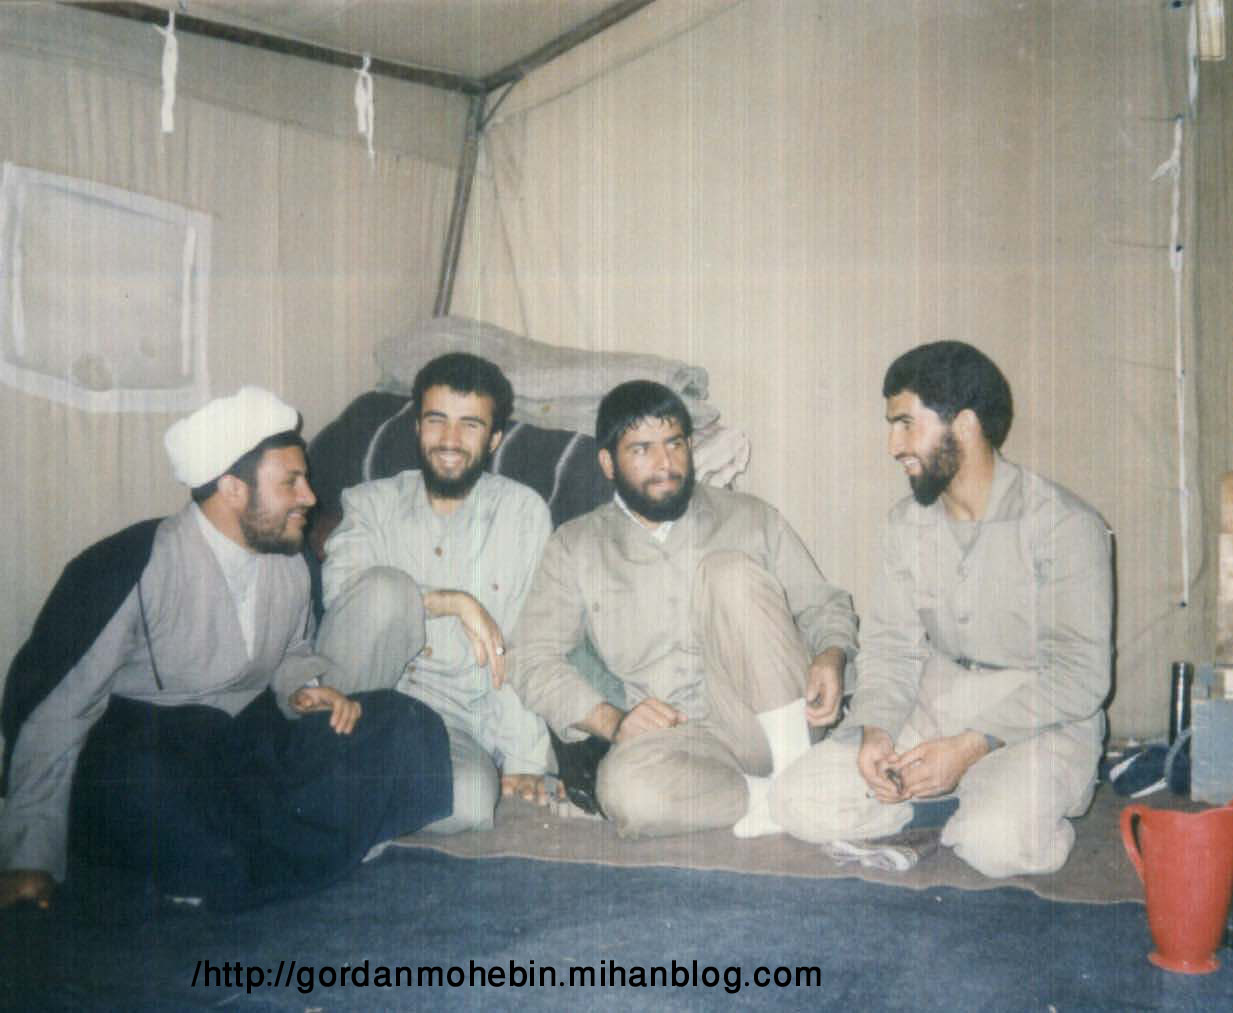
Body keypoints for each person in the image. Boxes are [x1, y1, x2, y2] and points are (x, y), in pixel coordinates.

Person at [0, 387, 451, 912]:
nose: (310, 497)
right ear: (233, 489)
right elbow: (56, 712)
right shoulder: (130, 565)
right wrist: (28, 855)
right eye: (291, 482)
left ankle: (235, 864)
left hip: (244, 749)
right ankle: (278, 852)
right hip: (149, 752)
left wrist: (307, 688)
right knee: (147, 791)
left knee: (402, 723)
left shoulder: (288, 559)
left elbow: (294, 649)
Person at [772, 341, 1113, 877]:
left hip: (1039, 718)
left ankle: (994, 806)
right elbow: (892, 648)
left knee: (994, 846)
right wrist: (877, 730)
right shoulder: (905, 526)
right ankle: (946, 804)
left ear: (966, 424)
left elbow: (1081, 675)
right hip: (935, 702)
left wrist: (971, 747)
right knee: (794, 800)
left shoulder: (1065, 526)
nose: (893, 446)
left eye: (907, 424)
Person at [509, 380, 858, 838]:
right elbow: (530, 659)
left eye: (674, 444)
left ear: (690, 447)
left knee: (728, 573)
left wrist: (832, 654)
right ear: (608, 463)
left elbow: (824, 605)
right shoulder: (575, 546)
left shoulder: (751, 517)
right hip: (680, 740)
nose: (665, 463)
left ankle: (794, 770)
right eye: (642, 450)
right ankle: (778, 797)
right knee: (625, 793)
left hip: (773, 717)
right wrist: (612, 721)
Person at [317, 353, 554, 833]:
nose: (450, 439)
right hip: (363, 702)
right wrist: (451, 602)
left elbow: (525, 638)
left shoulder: (522, 514)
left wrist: (525, 759)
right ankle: (327, 773)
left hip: (456, 722)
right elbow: (344, 597)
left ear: (494, 439)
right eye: (436, 420)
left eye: (470, 425)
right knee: (381, 589)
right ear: (416, 426)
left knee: (470, 805)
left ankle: (335, 793)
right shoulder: (369, 503)